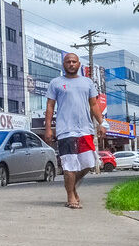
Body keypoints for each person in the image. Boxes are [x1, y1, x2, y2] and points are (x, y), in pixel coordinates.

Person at [44, 53, 107, 209]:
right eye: (68, 62)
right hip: (65, 130)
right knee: (70, 165)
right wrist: (48, 129)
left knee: (89, 162)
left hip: (85, 129)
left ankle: (70, 187)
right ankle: (71, 196)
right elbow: (50, 106)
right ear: (63, 64)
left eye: (74, 61)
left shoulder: (87, 82)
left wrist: (102, 123)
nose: (71, 64)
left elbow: (94, 105)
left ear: (79, 64)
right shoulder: (56, 83)